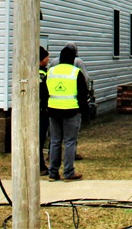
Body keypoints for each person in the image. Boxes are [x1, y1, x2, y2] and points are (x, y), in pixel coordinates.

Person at [46, 43, 89, 181]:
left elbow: (44, 91)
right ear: (73, 59)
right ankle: (69, 172)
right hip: (71, 111)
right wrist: (85, 112)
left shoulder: (51, 72)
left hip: (53, 111)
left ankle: (53, 173)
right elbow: (83, 94)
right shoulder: (76, 73)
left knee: (55, 141)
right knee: (70, 142)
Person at [38, 46, 50, 176]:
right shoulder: (46, 74)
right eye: (47, 57)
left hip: (31, 110)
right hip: (42, 111)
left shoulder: (29, 72)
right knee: (40, 140)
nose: (48, 60)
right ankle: (40, 166)